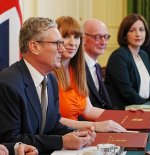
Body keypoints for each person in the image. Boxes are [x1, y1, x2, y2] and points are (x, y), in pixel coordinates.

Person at [0, 17, 96, 154]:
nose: (62, 50)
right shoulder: (8, 83)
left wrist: (78, 133)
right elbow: (10, 140)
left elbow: (53, 125)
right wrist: (61, 141)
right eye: (57, 43)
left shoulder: (51, 79)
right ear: (34, 47)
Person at [54, 16, 126, 133]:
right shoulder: (50, 73)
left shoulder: (76, 70)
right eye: (66, 36)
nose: (73, 43)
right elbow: (53, 121)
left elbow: (88, 110)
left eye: (76, 37)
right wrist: (95, 126)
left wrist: (123, 116)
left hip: (81, 135)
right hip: (63, 137)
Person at [105, 14, 150, 110]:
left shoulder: (144, 55)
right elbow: (127, 92)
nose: (138, 34)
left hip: (143, 107)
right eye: (132, 30)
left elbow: (149, 88)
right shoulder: (118, 57)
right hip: (125, 110)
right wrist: (149, 107)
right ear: (125, 34)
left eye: (141, 30)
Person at [83, 18, 112, 109]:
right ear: (83, 39)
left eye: (106, 37)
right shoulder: (77, 67)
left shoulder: (96, 66)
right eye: (98, 37)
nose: (103, 42)